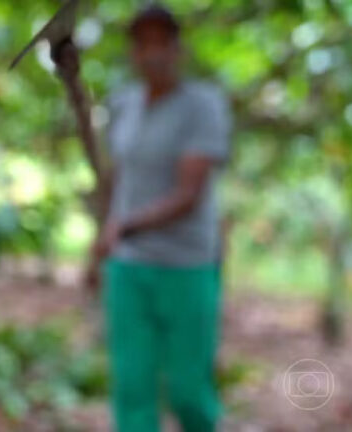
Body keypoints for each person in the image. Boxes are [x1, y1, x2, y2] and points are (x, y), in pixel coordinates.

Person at [84, 4, 232, 432]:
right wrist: (98, 254)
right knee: (132, 389)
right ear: (131, 52)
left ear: (177, 48)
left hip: (187, 266)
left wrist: (125, 226)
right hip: (129, 268)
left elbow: (188, 193)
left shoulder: (202, 106)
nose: (152, 53)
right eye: (142, 43)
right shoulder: (124, 103)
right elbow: (116, 182)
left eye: (161, 42)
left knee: (189, 390)